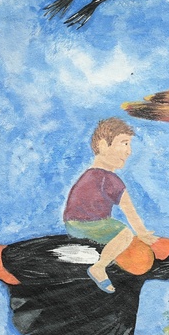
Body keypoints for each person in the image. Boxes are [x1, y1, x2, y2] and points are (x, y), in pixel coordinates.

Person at [63, 118, 156, 293]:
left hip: (73, 224)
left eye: (129, 145)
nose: (129, 151)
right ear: (104, 145)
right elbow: (129, 210)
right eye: (124, 143)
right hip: (88, 224)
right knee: (125, 234)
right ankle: (99, 267)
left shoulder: (88, 175)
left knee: (116, 231)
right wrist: (142, 233)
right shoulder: (110, 180)